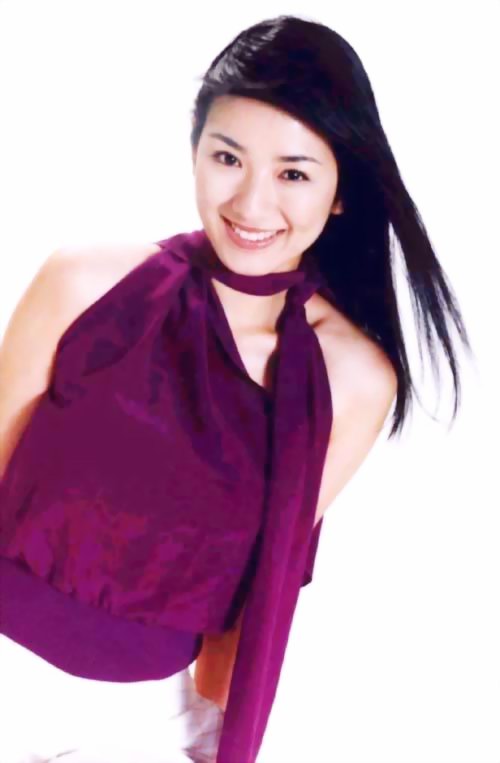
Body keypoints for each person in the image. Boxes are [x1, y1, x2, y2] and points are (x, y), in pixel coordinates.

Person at [0, 13, 473, 763]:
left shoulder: (350, 377)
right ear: (194, 153)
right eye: (228, 157)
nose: (251, 204)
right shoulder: (83, 280)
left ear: (342, 192)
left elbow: (260, 590)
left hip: (139, 726)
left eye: (293, 173)